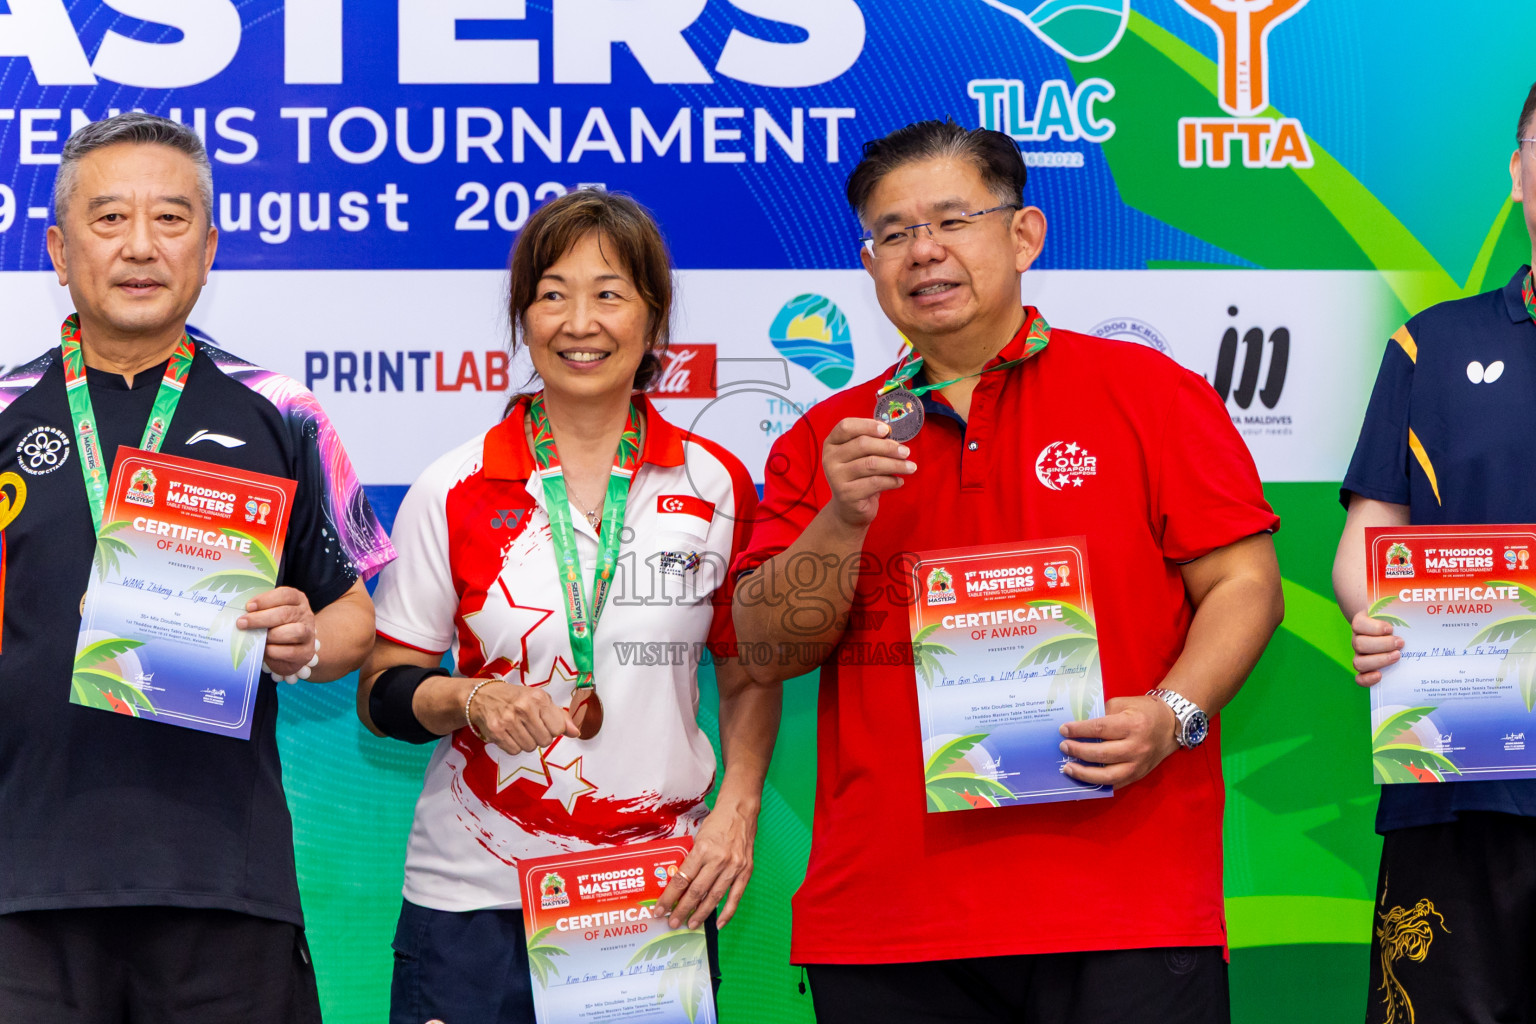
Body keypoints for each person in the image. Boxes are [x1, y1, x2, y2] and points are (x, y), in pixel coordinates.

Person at [731, 120, 1284, 1023]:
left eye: (952, 221)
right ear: (868, 264)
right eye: (894, 233)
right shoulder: (828, 437)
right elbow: (765, 647)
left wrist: (1171, 713)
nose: (924, 252)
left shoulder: (1148, 392)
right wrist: (841, 516)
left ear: (1024, 234)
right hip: (890, 922)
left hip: (1123, 905)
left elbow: (1245, 585)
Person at [0, 113, 393, 1021]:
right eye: (108, 221)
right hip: (23, 881)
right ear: (59, 250)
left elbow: (352, 620)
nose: (140, 247)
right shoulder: (8, 413)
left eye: (170, 220)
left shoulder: (281, 412)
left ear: (209, 247)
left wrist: (304, 640)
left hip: (223, 878)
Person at [358, 188, 780, 1024]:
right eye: (552, 294)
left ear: (654, 323)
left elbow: (748, 670)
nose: (578, 321)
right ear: (523, 320)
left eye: (609, 294)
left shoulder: (716, 483)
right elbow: (383, 692)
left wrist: (737, 809)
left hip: (649, 894)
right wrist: (467, 697)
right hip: (473, 894)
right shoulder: (454, 487)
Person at [1332, 82, 1536, 1024]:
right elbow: (1373, 533)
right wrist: (1369, 611)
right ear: (1518, 172)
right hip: (1464, 768)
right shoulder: (1434, 343)